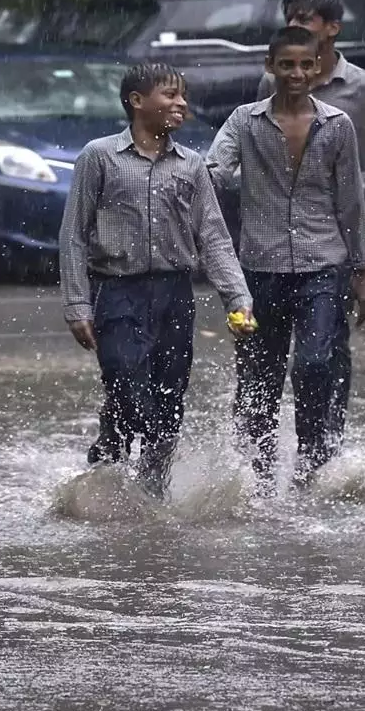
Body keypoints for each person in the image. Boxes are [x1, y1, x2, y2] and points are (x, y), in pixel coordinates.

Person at [59, 62, 255, 498]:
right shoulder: (99, 156)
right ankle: (110, 451)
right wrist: (77, 305)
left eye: (182, 95)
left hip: (174, 295)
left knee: (169, 397)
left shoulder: (191, 167)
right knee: (127, 382)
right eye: (169, 95)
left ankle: (151, 493)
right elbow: (73, 234)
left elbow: (214, 238)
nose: (180, 103)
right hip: (117, 291)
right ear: (136, 101)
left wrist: (237, 299)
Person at [207, 26, 365, 493]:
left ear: (318, 67)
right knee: (259, 376)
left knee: (316, 363)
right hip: (260, 266)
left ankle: (313, 462)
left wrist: (358, 269)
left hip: (323, 262)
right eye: (286, 65)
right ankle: (255, 476)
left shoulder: (337, 125)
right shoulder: (245, 121)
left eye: (305, 64)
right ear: (270, 67)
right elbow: (216, 170)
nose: (296, 73)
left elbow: (350, 201)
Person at [257, 0, 365, 454]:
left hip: (337, 235)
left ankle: (323, 449)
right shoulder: (270, 86)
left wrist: (349, 192)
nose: (298, 26)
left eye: (307, 18)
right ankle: (256, 460)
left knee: (323, 352)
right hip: (275, 238)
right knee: (264, 356)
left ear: (332, 28)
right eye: (291, 17)